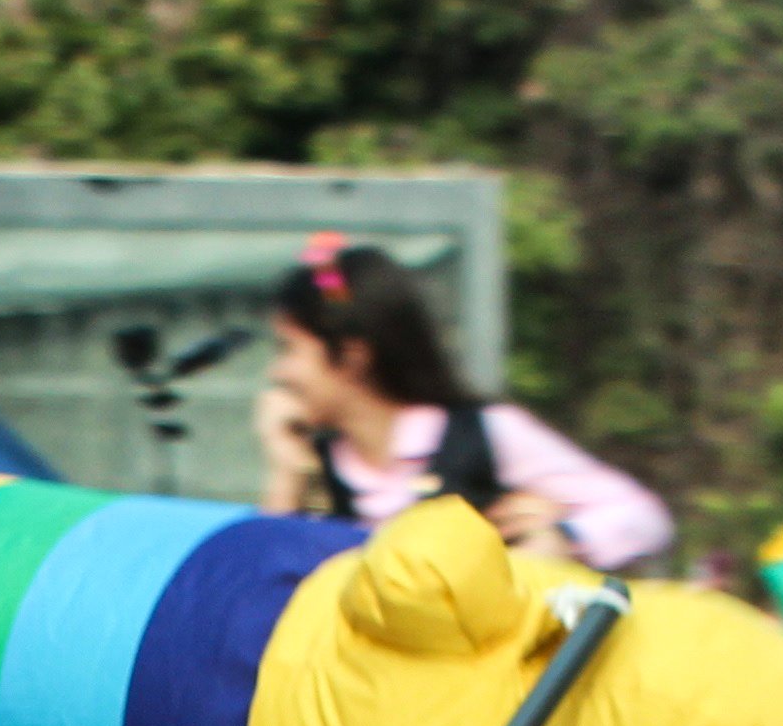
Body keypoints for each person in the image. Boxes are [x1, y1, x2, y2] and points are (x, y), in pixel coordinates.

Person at [256, 237, 672, 571]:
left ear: (351, 356)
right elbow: (257, 589)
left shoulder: (483, 434)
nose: (278, 372)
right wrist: (286, 475)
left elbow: (642, 516)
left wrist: (564, 538)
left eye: (288, 349)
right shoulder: (318, 469)